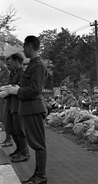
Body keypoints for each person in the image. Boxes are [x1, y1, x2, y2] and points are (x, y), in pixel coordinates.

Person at [6, 35, 49, 184]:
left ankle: (41, 176)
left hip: (34, 108)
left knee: (38, 144)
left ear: (30, 46)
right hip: (29, 108)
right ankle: (37, 175)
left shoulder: (38, 66)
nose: (23, 51)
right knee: (35, 143)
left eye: (24, 48)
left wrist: (17, 91)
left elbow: (35, 89)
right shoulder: (32, 64)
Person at [2, 53, 30, 162]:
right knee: (11, 128)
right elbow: (11, 85)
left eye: (11, 62)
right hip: (11, 103)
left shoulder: (22, 73)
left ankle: (24, 152)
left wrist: (11, 90)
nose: (10, 65)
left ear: (17, 61)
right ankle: (19, 150)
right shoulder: (14, 73)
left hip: (18, 105)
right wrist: (6, 90)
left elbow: (22, 89)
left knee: (19, 129)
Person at [0, 56, 11, 147]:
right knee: (3, 119)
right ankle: (8, 138)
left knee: (5, 118)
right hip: (1, 97)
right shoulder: (2, 71)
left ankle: (9, 139)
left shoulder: (5, 71)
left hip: (3, 98)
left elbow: (4, 84)